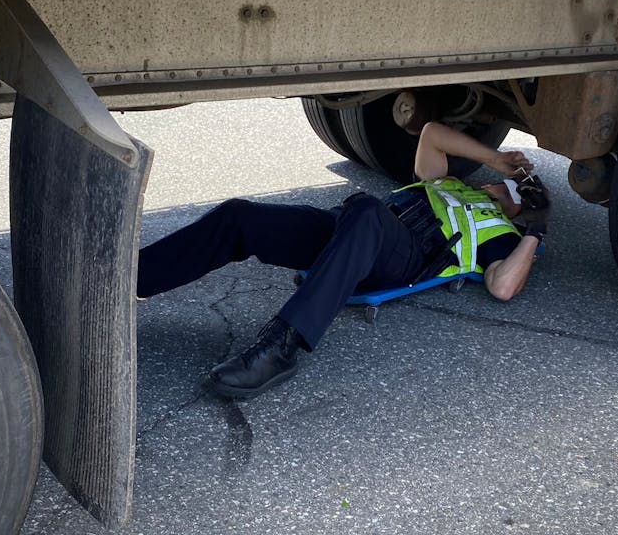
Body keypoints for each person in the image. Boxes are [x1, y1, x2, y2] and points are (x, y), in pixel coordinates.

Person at [136, 121, 550, 398]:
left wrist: (536, 227)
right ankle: (132, 278)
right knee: (240, 216)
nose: (506, 185)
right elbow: (431, 133)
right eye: (505, 180)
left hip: (399, 257)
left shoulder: (501, 235)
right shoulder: (448, 182)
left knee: (368, 210)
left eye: (517, 189)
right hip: (348, 230)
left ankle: (281, 345)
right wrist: (494, 158)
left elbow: (503, 286)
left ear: (518, 208)